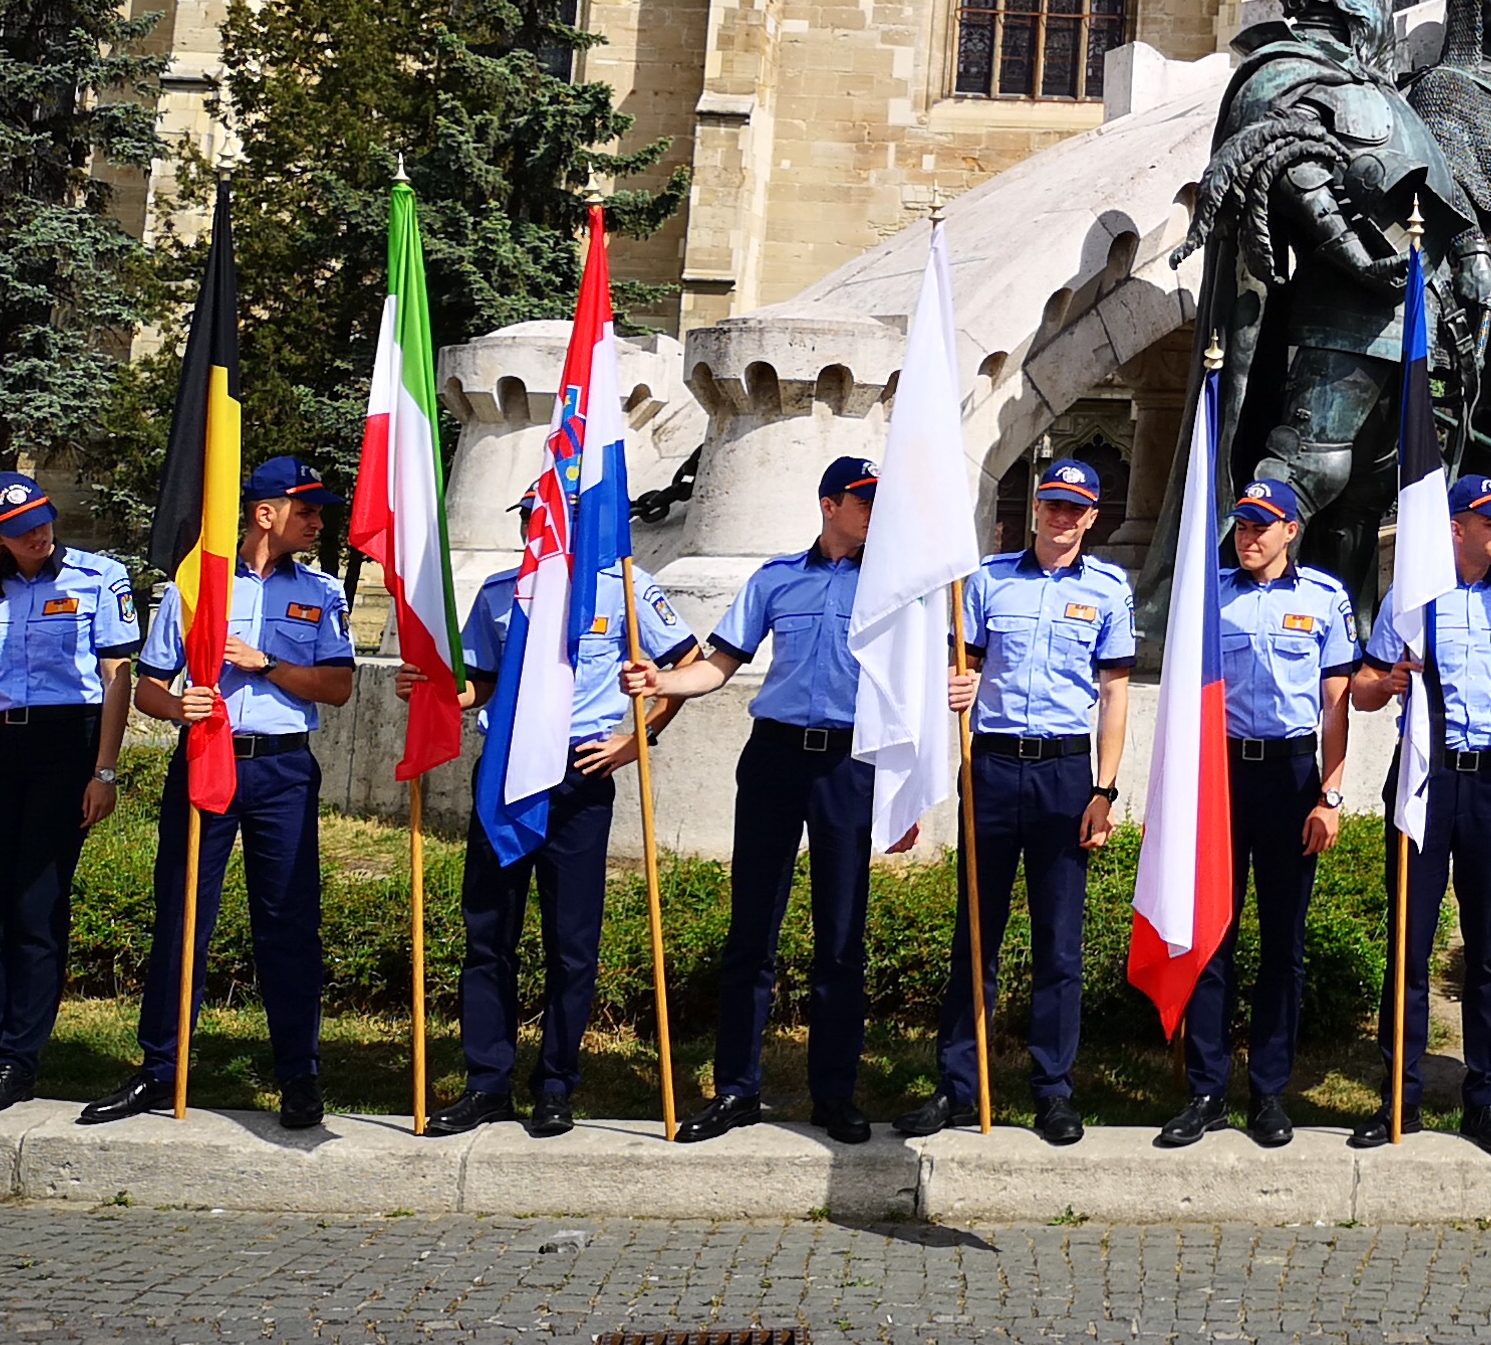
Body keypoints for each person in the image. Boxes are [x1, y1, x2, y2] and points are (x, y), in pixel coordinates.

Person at [81, 457, 360, 1128]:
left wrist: (267, 663)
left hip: (283, 771)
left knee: (289, 923)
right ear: (266, 513)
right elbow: (149, 684)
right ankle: (159, 1069)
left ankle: (299, 1076)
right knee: (183, 913)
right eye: (307, 510)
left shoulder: (322, 593)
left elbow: (340, 686)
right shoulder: (195, 586)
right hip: (207, 760)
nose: (319, 522)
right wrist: (178, 710)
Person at [428, 506, 699, 1137]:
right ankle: (486, 1083)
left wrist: (635, 742)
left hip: (580, 773)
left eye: (553, 516)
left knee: (571, 945)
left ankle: (555, 1084)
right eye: (531, 515)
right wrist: (438, 690)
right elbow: (483, 682)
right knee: (488, 935)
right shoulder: (500, 594)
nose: (539, 527)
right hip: (507, 773)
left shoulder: (624, 588)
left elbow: (682, 667)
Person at [636, 455, 882, 1146]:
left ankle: (833, 1094)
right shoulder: (777, 579)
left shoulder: (896, 588)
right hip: (774, 756)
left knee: (840, 937)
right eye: (863, 500)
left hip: (847, 763)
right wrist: (658, 681)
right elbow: (717, 667)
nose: (874, 512)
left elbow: (918, 685)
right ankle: (736, 1090)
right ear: (829, 504)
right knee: (752, 932)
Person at [894, 460, 1136, 1147]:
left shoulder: (1110, 590)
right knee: (977, 934)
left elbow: (1115, 692)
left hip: (1065, 772)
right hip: (994, 765)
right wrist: (956, 686)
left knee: (1059, 943)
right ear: (1036, 509)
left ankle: (1053, 1091)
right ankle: (958, 1086)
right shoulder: (988, 581)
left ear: (1093, 517)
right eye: (1053, 506)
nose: (1062, 518)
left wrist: (1104, 788)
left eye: (1075, 509)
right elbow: (959, 663)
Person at [1345, 473, 1491, 1160]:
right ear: (1454, 527)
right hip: (1425, 781)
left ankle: (1485, 1098)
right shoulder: (1411, 603)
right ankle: (1399, 1096)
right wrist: (1389, 681)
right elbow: (1366, 694)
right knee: (1410, 943)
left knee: (1488, 950)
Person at [1157, 475, 1360, 1150]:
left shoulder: (1326, 598)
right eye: (1243, 525)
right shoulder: (1209, 595)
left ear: (1290, 531)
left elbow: (1335, 705)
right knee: (1213, 935)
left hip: (1291, 777)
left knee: (1283, 943)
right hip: (1221, 776)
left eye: (1262, 526)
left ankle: (1269, 1090)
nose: (1249, 537)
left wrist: (1329, 795)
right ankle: (1208, 1090)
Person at [0, 471, 137, 1119]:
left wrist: (104, 772)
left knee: (36, 907)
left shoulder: (99, 577)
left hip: (64, 745)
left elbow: (116, 677)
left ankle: (19, 1060)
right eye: (21, 531)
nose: (38, 535)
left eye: (43, 520)